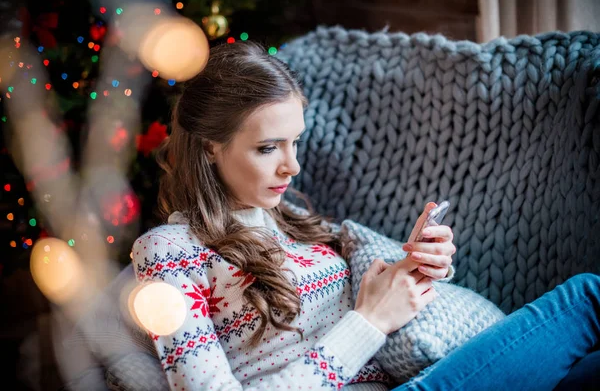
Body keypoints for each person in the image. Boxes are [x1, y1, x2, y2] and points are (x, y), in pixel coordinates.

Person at [131, 41, 600, 391]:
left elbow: (380, 275)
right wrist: (369, 323)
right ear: (211, 148)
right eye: (268, 147)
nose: (292, 166)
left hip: (419, 376)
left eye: (296, 142)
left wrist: (422, 264)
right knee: (588, 297)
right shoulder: (169, 254)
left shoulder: (289, 217)